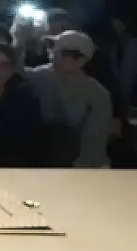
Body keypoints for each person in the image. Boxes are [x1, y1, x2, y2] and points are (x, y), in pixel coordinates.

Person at [25, 29, 112, 168]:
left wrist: (79, 174)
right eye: (50, 46)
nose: (51, 51)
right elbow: (13, 74)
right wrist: (18, 43)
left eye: (57, 49)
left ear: (78, 58)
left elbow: (94, 141)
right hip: (36, 155)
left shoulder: (96, 93)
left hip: (73, 162)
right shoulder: (38, 76)